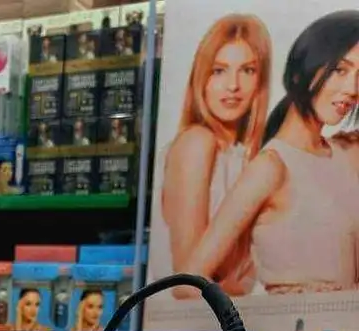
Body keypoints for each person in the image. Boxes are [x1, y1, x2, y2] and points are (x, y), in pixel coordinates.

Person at [183, 11, 359, 295]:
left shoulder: (347, 154)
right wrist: (252, 316)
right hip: (295, 320)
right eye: (340, 70)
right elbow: (188, 283)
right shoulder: (271, 167)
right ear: (304, 68)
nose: (352, 89)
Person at [153, 14, 272, 295]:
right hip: (190, 316)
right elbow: (188, 283)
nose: (233, 85)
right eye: (219, 71)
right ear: (201, 78)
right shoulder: (197, 142)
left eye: (247, 70)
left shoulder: (248, 157)